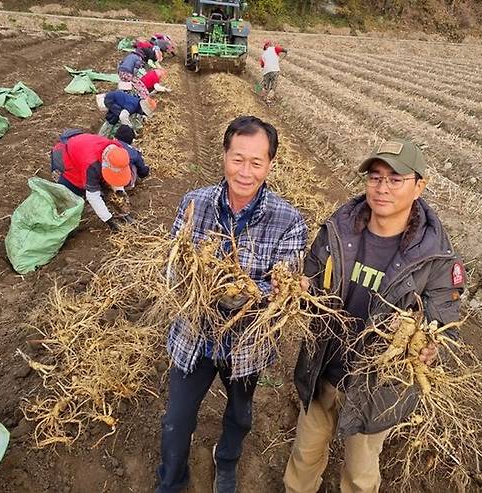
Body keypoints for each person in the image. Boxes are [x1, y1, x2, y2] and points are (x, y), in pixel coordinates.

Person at [283, 139, 466, 493]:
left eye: (395, 179)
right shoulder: (338, 229)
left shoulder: (436, 258)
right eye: (375, 177)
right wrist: (298, 291)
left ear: (419, 186)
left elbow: (443, 322)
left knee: (360, 476)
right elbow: (311, 278)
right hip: (324, 369)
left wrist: (431, 346)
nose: (382, 188)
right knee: (303, 460)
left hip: (378, 388)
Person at [155, 116, 308, 493]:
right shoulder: (195, 203)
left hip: (247, 342)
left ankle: (226, 462)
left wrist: (221, 284)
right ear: (224, 156)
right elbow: (175, 267)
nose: (245, 171)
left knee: (240, 416)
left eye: (256, 162)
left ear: (270, 165)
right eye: (238, 159)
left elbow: (281, 289)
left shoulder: (288, 220)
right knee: (176, 419)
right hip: (194, 333)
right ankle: (171, 482)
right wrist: (234, 286)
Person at [50, 130, 134, 232]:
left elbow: (117, 173)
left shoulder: (117, 151)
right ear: (104, 164)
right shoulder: (91, 164)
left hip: (82, 147)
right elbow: (92, 196)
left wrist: (120, 192)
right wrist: (109, 220)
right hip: (65, 157)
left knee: (98, 183)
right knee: (76, 190)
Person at [259, 40, 287, 105]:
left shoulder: (263, 54)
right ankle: (268, 100)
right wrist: (285, 50)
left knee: (265, 85)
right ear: (269, 45)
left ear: (265, 47)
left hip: (266, 71)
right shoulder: (275, 48)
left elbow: (262, 65)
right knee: (273, 86)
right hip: (275, 70)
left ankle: (262, 97)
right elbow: (282, 49)